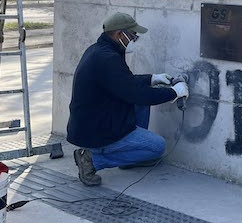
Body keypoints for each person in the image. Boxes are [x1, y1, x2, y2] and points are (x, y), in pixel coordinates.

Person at [67, 12, 189, 186]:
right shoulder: (108, 59)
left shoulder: (100, 50)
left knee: (141, 102)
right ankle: (92, 160)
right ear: (119, 34)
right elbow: (135, 93)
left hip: (94, 120)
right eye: (133, 36)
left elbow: (124, 82)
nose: (135, 40)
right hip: (96, 130)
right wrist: (174, 93)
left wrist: (152, 78)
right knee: (158, 147)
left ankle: (127, 155)